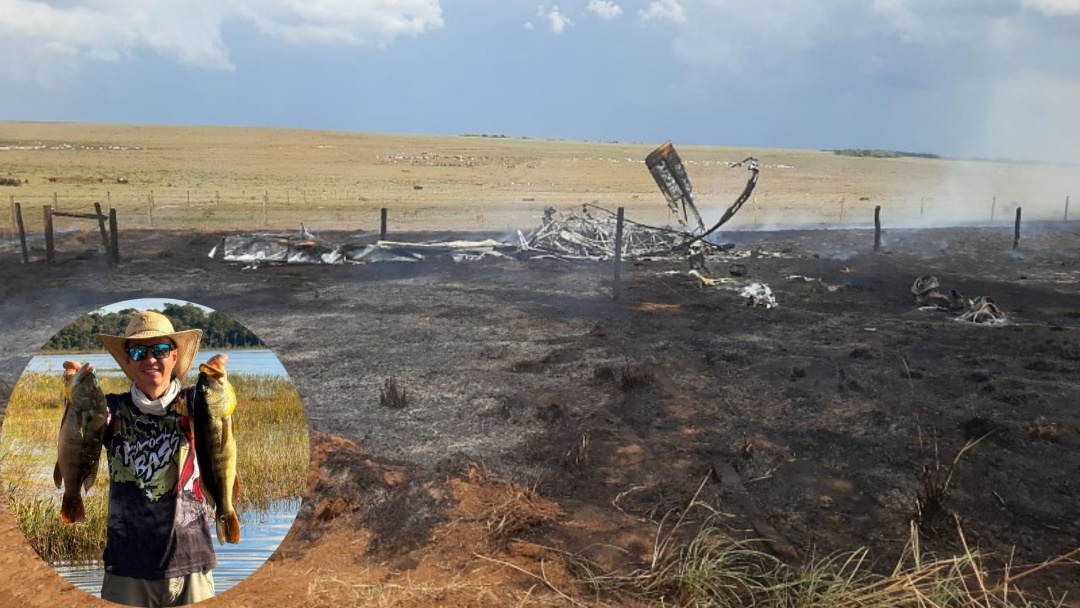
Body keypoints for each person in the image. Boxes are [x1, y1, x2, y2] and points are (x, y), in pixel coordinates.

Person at [65, 310, 228, 607]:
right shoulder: (110, 408)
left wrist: (218, 376)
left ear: (174, 357)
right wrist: (75, 392)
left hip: (192, 563)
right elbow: (79, 437)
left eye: (161, 350)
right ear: (128, 360)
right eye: (139, 351)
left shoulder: (195, 402)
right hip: (127, 567)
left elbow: (219, 409)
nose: (150, 359)